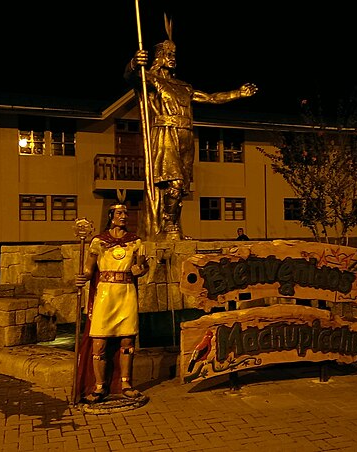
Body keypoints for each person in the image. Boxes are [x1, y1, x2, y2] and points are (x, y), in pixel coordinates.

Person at [124, 20, 258, 241]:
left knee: (182, 188)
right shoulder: (152, 80)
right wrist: (133, 63)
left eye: (174, 53)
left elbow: (211, 97)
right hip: (166, 132)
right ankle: (169, 226)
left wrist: (238, 93)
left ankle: (175, 226)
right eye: (168, 53)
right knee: (173, 184)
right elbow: (132, 77)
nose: (172, 57)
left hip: (186, 134)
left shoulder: (184, 86)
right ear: (159, 57)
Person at [75, 203, 149, 404]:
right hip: (105, 294)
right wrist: (83, 277)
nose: (124, 216)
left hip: (126, 293)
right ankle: (99, 386)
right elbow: (89, 269)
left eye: (126, 212)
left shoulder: (135, 242)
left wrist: (140, 270)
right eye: (119, 213)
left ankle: (126, 383)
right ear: (111, 216)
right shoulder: (98, 242)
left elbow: (143, 267)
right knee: (99, 342)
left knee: (127, 341)